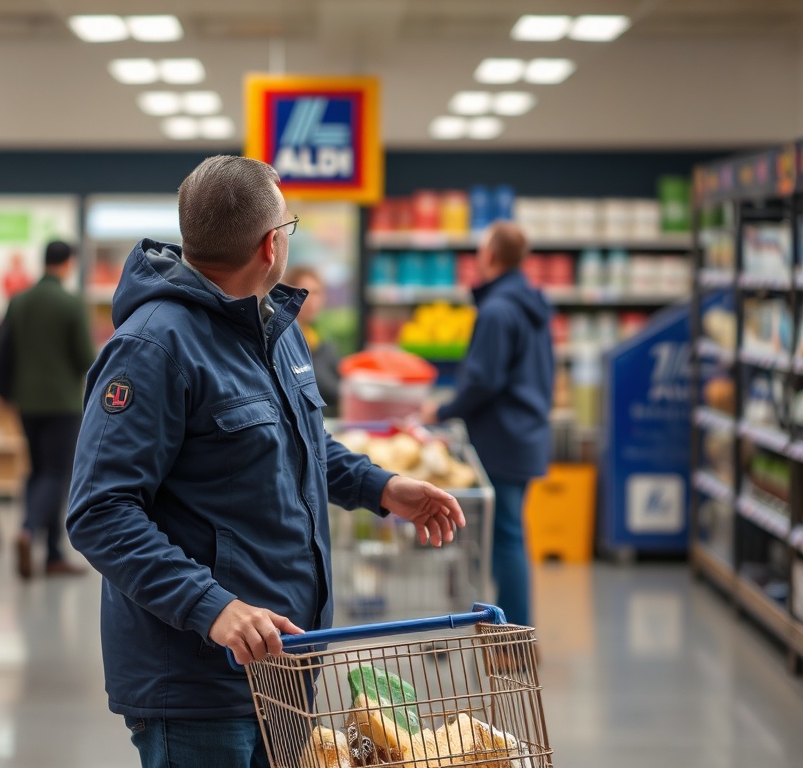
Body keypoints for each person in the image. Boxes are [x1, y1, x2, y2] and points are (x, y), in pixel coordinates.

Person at [66, 155, 465, 768]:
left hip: (288, 663)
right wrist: (212, 607)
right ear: (270, 244)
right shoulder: (153, 348)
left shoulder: (275, 327)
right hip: (201, 681)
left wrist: (382, 488)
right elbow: (100, 512)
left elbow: (300, 445)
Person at [420, 221, 553, 628]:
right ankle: (511, 632)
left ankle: (514, 637)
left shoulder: (497, 309)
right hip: (526, 432)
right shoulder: (531, 303)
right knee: (507, 536)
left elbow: (484, 380)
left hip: (501, 436)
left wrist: (441, 411)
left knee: (506, 539)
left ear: (490, 256)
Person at [8, 240, 96, 579]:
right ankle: (30, 531)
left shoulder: (20, 301)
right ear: (68, 263)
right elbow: (86, 358)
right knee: (56, 474)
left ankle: (52, 553)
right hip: (62, 402)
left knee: (37, 470)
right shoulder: (71, 304)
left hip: (26, 401)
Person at [282, 265, 341, 413]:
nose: (311, 300)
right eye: (305, 292)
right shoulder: (281, 343)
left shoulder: (323, 344)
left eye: (316, 293)